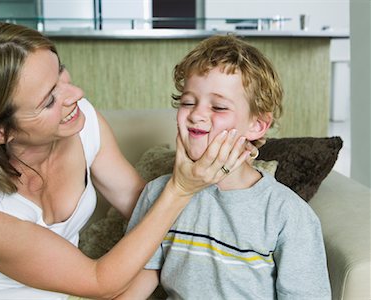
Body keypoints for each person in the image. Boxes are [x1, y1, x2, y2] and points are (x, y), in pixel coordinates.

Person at [0, 22, 256, 300]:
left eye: (62, 75)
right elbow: (100, 280)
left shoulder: (81, 123)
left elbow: (143, 208)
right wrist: (181, 188)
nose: (76, 94)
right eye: (50, 99)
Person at [119, 35, 332, 299]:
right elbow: (130, 289)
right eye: (188, 102)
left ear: (257, 125)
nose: (196, 114)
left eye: (218, 106)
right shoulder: (157, 195)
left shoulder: (287, 214)